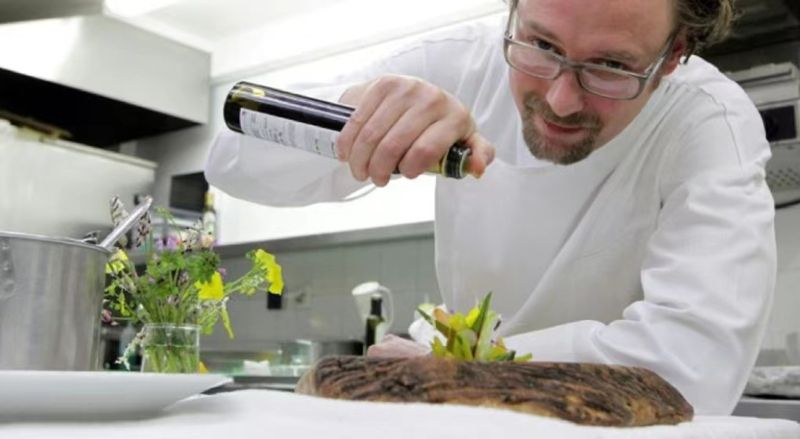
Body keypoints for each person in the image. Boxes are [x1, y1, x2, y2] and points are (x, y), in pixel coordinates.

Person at [205, 0, 776, 415]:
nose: (560, 100)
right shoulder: (462, 63)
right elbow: (231, 157)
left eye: (611, 67)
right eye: (542, 46)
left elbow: (694, 367)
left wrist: (457, 366)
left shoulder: (709, 123)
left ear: (673, 55)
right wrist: (356, 115)